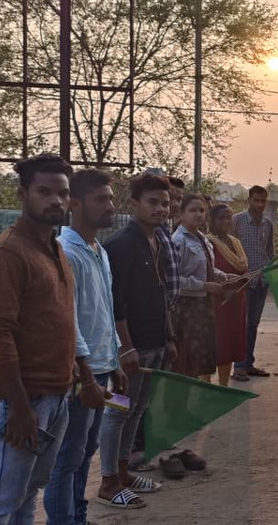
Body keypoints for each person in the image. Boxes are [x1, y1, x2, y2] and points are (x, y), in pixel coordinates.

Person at [0, 154, 79, 524]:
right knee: (2, 498)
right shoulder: (6, 253)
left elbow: (59, 320)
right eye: (44, 192)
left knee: (27, 491)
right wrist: (18, 408)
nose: (56, 201)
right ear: (23, 194)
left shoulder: (55, 247)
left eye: (62, 193)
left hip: (55, 394)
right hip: (19, 399)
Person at [44, 169, 125, 524]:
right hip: (82, 372)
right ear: (74, 205)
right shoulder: (66, 251)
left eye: (110, 198)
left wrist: (117, 357)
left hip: (103, 366)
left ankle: (77, 515)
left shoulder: (98, 251)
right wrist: (87, 376)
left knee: (85, 450)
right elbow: (68, 320)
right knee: (67, 457)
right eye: (101, 199)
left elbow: (105, 308)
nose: (110, 206)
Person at [98, 173, 179, 507]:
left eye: (165, 203)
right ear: (134, 204)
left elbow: (163, 296)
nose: (161, 209)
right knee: (117, 412)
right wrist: (125, 347)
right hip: (128, 351)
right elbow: (116, 302)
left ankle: (124, 472)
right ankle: (107, 482)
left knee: (139, 408)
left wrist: (170, 337)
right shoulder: (121, 244)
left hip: (156, 343)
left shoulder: (158, 239)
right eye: (153, 203)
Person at [172, 194, 228, 382]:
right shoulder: (178, 240)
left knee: (199, 357)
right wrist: (205, 286)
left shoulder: (201, 238)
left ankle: (190, 398)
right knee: (186, 359)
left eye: (201, 210)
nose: (198, 214)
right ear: (181, 213)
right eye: (192, 210)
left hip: (203, 307)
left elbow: (205, 268)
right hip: (187, 308)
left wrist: (221, 275)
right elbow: (175, 280)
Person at [232, 185, 274, 380]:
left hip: (261, 280)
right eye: (256, 200)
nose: (260, 204)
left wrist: (271, 276)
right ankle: (238, 365)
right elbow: (229, 249)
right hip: (243, 281)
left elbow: (269, 252)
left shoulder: (268, 224)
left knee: (253, 324)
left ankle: (249, 363)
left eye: (263, 201)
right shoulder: (237, 221)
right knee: (241, 323)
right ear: (249, 200)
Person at [209, 204, 251, 384]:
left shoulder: (235, 243)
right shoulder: (207, 243)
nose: (226, 221)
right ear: (212, 221)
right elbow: (206, 270)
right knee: (217, 345)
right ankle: (206, 386)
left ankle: (224, 385)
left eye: (229, 217)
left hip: (237, 300)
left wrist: (246, 279)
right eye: (221, 218)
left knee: (232, 343)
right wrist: (224, 290)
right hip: (217, 302)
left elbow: (242, 269)